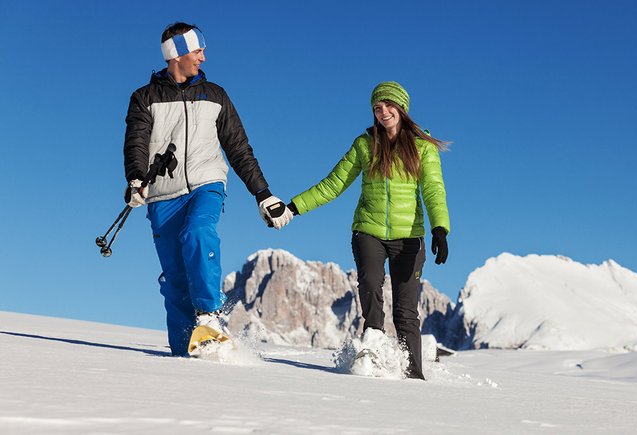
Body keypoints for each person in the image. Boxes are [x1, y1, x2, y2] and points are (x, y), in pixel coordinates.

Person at [123, 22, 293, 357]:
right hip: (162, 196)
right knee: (175, 281)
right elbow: (136, 143)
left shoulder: (215, 95)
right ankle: (185, 357)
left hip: (206, 184)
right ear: (177, 55)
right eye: (197, 50)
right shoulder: (144, 99)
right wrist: (136, 178)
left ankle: (210, 316)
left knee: (198, 232)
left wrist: (264, 194)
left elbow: (239, 148)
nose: (203, 56)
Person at [287, 81, 450, 379]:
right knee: (371, 286)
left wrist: (440, 228)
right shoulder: (365, 145)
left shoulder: (422, 147)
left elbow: (433, 190)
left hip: (409, 237)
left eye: (389, 105)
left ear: (401, 108)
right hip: (369, 232)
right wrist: (294, 207)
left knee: (406, 311)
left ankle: (413, 375)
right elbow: (333, 184)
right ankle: (371, 353)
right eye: (377, 107)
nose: (383, 112)